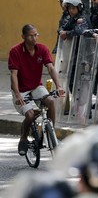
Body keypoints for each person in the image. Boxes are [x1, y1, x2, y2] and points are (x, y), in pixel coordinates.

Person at [8, 24, 65, 156]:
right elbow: (13, 75)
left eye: (36, 35)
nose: (34, 38)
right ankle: (23, 138)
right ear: (23, 37)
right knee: (29, 115)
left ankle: (52, 134)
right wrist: (17, 95)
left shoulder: (42, 49)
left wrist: (59, 86)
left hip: (36, 86)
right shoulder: (15, 51)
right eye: (31, 35)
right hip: (21, 90)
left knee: (50, 101)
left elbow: (51, 68)